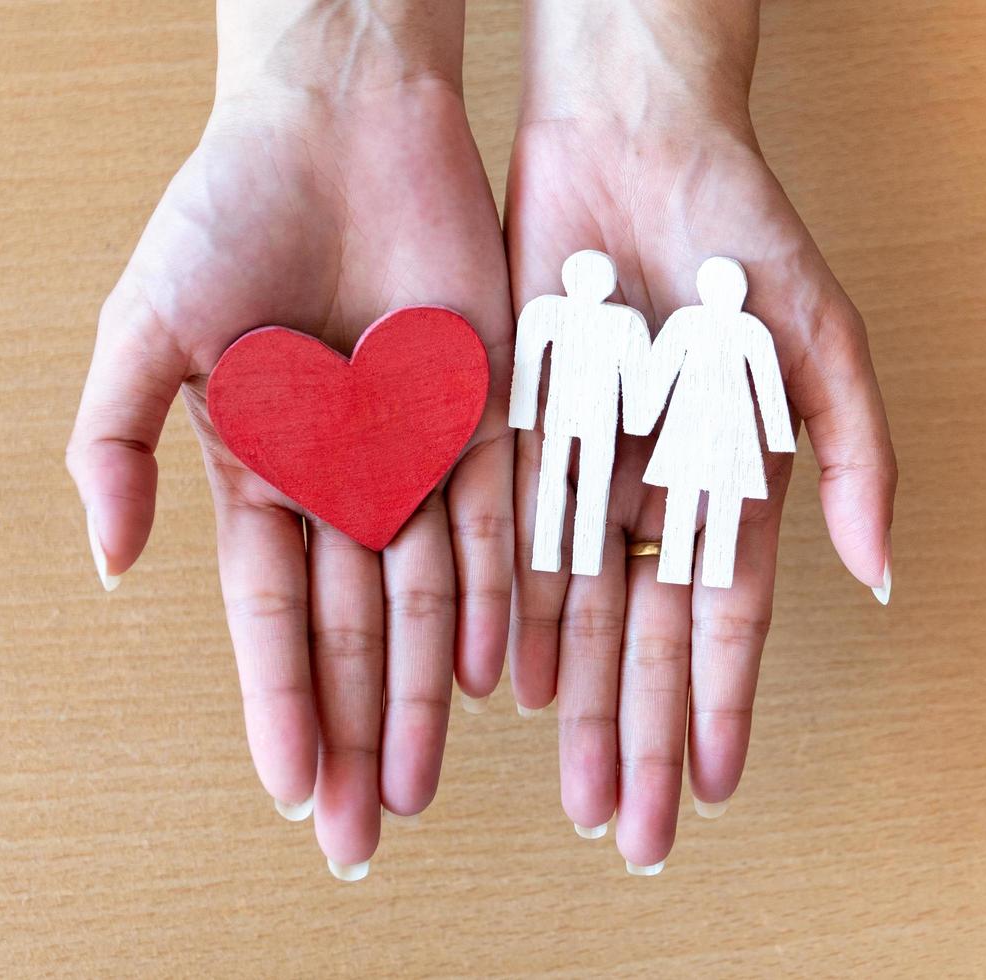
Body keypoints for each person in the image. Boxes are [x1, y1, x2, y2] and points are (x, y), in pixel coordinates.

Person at [67, 0, 897, 880]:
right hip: (606, 419)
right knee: (580, 513)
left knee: (658, 516)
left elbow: (647, 372)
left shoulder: (675, 333)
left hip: (668, 428)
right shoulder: (641, 330)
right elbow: (550, 359)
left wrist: (647, 63)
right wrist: (314, 55)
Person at [624, 257, 796, 589]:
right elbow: (660, 369)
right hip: (690, 417)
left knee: (722, 494)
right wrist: (641, 417)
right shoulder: (687, 322)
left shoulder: (748, 328)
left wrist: (778, 434)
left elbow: (769, 383)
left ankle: (715, 567)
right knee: (685, 491)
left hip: (732, 423)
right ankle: (677, 564)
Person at [509, 250, 651, 577]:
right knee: (556, 479)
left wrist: (636, 420)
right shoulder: (549, 311)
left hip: (597, 413)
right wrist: (522, 411)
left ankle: (583, 554)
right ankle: (548, 551)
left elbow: (635, 372)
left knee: (587, 482)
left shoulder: (623, 321)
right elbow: (527, 359)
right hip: (565, 412)